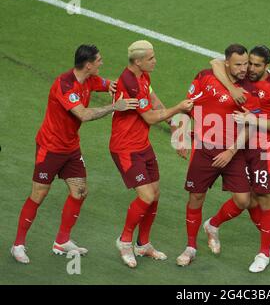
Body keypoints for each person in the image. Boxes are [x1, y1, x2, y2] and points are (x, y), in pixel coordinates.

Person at [11, 44, 139, 264]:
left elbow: (109, 83)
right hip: (50, 148)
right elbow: (84, 114)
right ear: (88, 65)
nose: (102, 62)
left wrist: (116, 86)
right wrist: (114, 107)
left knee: (79, 191)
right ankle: (18, 245)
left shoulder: (89, 79)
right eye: (99, 60)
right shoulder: (65, 85)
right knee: (39, 195)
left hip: (71, 149)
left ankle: (62, 241)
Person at [174, 44, 261, 267]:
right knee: (196, 197)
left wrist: (231, 151)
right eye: (238, 64)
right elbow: (188, 105)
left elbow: (250, 125)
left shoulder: (250, 89)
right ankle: (190, 247)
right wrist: (181, 134)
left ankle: (213, 224)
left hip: (233, 151)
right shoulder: (206, 77)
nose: (244, 69)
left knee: (243, 200)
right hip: (204, 149)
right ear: (226, 64)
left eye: (246, 64)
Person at [207, 45, 270, 272]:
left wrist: (253, 121)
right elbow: (215, 62)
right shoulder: (242, 78)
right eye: (249, 63)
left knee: (263, 198)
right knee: (246, 199)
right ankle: (268, 240)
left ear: (267, 66)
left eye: (256, 65)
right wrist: (230, 89)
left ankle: (264, 253)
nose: (250, 69)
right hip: (243, 147)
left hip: (265, 149)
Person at [111, 40, 193, 268]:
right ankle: (125, 241)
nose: (155, 61)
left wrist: (173, 123)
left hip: (142, 145)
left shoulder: (142, 77)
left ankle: (143, 244)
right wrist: (178, 108)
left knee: (155, 193)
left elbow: (154, 100)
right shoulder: (130, 82)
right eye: (151, 58)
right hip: (125, 148)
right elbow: (148, 117)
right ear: (138, 62)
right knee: (146, 196)